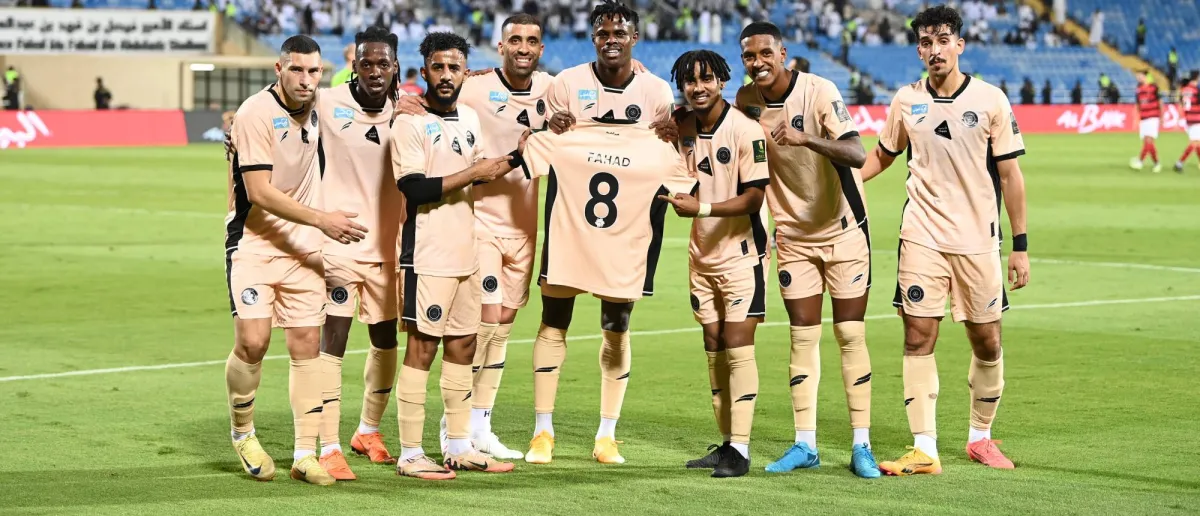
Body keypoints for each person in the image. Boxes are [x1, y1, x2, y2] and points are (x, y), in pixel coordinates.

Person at [858, 5, 1031, 476]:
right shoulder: (906, 100)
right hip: (921, 235)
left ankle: (980, 437)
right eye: (925, 43)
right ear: (918, 50)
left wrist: (1020, 246)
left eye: (942, 40)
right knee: (918, 335)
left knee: (987, 341)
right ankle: (925, 448)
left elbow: (1011, 176)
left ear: (959, 45)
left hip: (978, 240)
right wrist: (845, 183)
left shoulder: (991, 100)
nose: (934, 50)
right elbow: (882, 155)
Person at [525, 0, 676, 466]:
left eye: (620, 33)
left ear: (635, 38)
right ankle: (542, 432)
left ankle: (607, 435)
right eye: (603, 33)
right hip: (569, 228)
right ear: (593, 37)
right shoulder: (567, 84)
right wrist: (548, 125)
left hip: (627, 235)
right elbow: (535, 135)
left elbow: (669, 151)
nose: (611, 39)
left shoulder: (655, 91)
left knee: (616, 326)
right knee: (554, 320)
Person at [734, 21, 878, 479]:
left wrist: (804, 138)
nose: (758, 62)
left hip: (844, 230)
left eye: (765, 53)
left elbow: (857, 153)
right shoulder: (746, 100)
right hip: (794, 238)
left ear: (783, 54)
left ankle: (861, 444)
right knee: (802, 337)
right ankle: (805, 444)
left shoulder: (819, 91)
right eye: (749, 56)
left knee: (850, 335)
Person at [223, 35, 368, 486]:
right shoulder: (255, 113)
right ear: (279, 69)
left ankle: (305, 454)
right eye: (297, 70)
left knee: (307, 346)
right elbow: (259, 192)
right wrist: (323, 220)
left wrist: (412, 102)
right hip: (254, 243)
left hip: (304, 249)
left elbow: (374, 97)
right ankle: (243, 433)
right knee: (253, 342)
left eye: (313, 71)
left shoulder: (323, 104)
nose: (306, 80)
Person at [390, 31, 523, 481]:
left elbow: (482, 172)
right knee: (422, 348)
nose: (446, 75)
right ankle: (410, 454)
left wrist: (521, 154)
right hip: (426, 254)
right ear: (424, 70)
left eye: (454, 67)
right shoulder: (409, 122)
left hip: (466, 251)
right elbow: (413, 188)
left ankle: (460, 446)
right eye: (438, 67)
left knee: (464, 345)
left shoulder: (468, 117)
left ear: (466, 72)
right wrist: (472, 172)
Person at [430, 13, 552, 461]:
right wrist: (408, 105)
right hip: (480, 222)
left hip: (524, 226)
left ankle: (481, 425)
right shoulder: (475, 86)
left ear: (541, 49)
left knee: (502, 329)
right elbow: (434, 96)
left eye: (531, 41)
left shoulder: (553, 88)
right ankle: (454, 425)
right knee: (481, 324)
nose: (523, 48)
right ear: (501, 47)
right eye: (514, 40)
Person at [308, 25, 405, 481]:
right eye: (366, 63)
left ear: (396, 67)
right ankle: (327, 444)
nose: (374, 71)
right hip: (340, 245)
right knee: (335, 341)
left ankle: (368, 430)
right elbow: (281, 104)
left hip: (389, 248)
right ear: (354, 65)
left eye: (383, 63)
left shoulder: (407, 111)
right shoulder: (326, 102)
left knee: (386, 341)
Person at [666, 50, 768, 478]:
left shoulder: (746, 130)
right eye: (690, 81)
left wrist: (702, 208)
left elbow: (754, 198)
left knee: (738, 344)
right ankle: (726, 442)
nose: (698, 88)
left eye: (706, 79)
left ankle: (740, 449)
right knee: (713, 345)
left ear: (722, 81)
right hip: (702, 255)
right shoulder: (681, 127)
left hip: (742, 254)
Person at [1130, 70, 1162, 173]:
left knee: (1148, 140)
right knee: (1148, 142)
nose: (1138, 78)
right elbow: (1138, 104)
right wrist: (1136, 118)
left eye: (1140, 76)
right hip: (1144, 117)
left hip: (1153, 117)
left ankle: (1140, 161)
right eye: (1137, 76)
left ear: (1145, 76)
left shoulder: (1154, 87)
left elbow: (1160, 102)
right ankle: (1157, 163)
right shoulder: (1138, 88)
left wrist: (1162, 116)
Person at [1175, 71, 1200, 173]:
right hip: (1197, 118)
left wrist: (1180, 117)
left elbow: (1181, 104)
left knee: (1197, 142)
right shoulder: (1196, 90)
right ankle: (1180, 162)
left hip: (1188, 118)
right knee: (1194, 143)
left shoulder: (1184, 89)